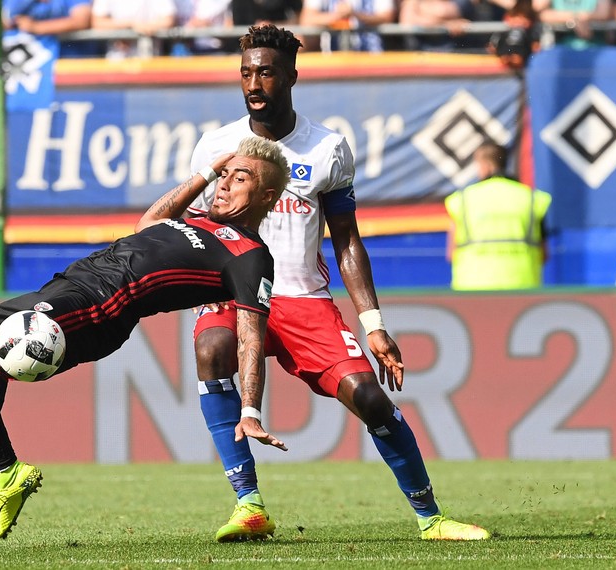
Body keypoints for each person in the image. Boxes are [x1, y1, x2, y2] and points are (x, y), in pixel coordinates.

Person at [0, 137, 291, 538]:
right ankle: (7, 471)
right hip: (66, 286)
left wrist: (250, 410)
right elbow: (146, 223)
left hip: (102, 308)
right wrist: (203, 173)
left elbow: (250, 337)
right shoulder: (195, 221)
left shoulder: (251, 257)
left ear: (267, 195)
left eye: (239, 179)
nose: (225, 183)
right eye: (225, 175)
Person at [185, 24, 491, 542]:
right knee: (213, 346)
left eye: (266, 73)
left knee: (368, 396)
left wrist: (373, 325)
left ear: (292, 77)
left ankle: (430, 517)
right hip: (236, 291)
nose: (254, 84)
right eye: (246, 73)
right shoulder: (216, 147)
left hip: (302, 298)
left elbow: (347, 242)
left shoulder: (327, 148)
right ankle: (249, 505)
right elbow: (195, 230)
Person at [444, 141, 552, 290]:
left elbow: (451, 253)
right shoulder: (531, 198)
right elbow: (544, 254)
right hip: (523, 287)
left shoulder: (462, 200)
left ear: (485, 165)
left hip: (471, 289)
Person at [299, 0, 397, 53]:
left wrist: (355, 14)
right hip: (332, 59)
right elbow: (307, 18)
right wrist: (337, 15)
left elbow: (387, 16)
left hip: (371, 58)